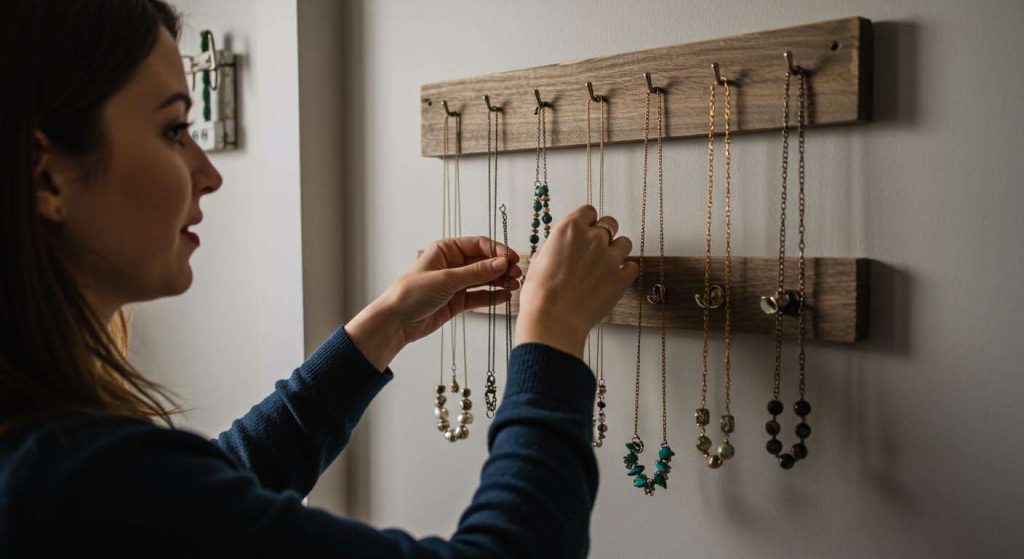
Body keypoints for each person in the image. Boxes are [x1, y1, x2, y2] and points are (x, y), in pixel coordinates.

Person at [0, 1, 639, 556]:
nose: (208, 171)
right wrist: (550, 338)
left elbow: (202, 502)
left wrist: (379, 329)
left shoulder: (52, 462)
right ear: (49, 176)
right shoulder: (66, 477)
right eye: (172, 130)